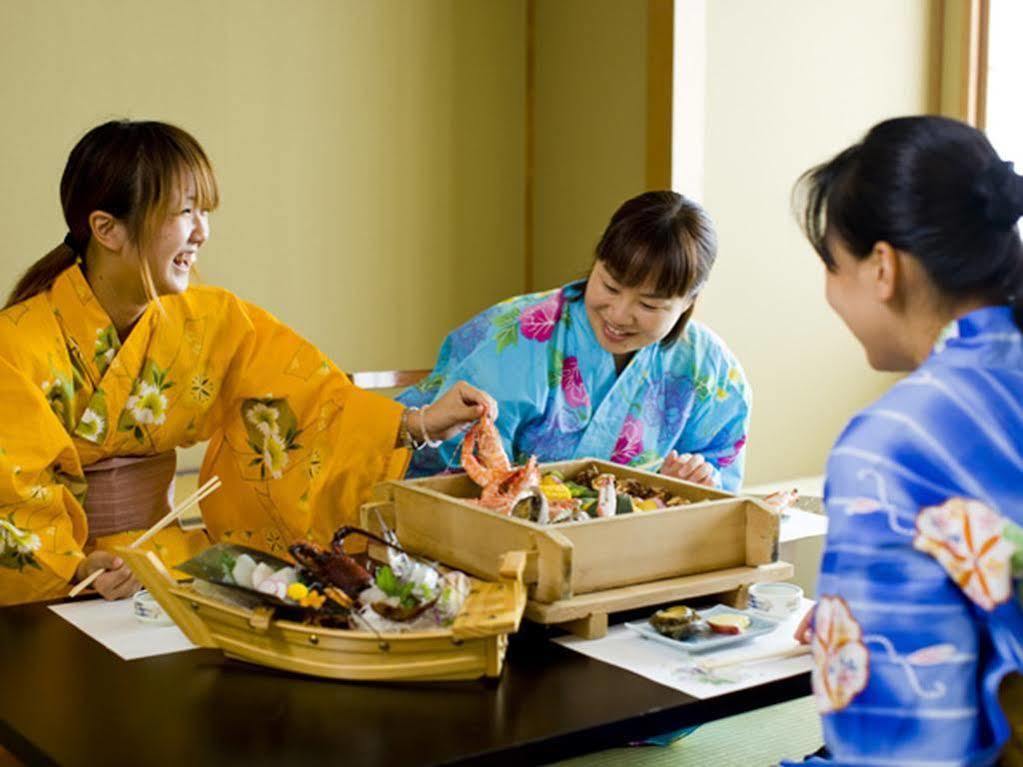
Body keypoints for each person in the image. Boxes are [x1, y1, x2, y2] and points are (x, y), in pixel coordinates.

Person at [0, 120, 493, 605]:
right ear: (106, 229)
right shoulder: (16, 346)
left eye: (204, 211)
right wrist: (77, 566)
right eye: (184, 212)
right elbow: (14, 497)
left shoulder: (211, 320)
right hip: (64, 583)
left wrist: (422, 423)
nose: (201, 232)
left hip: (165, 567)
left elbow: (306, 401)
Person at [786, 116, 1023, 765]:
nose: (830, 292)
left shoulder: (893, 442)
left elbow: (894, 742)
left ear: (882, 267)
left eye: (832, 266)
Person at [398, 191, 751, 492]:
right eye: (610, 286)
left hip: (641, 555)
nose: (619, 314)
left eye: (648, 304)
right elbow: (452, 477)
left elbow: (718, 485)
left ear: (689, 300)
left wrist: (688, 482)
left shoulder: (710, 371)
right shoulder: (517, 336)